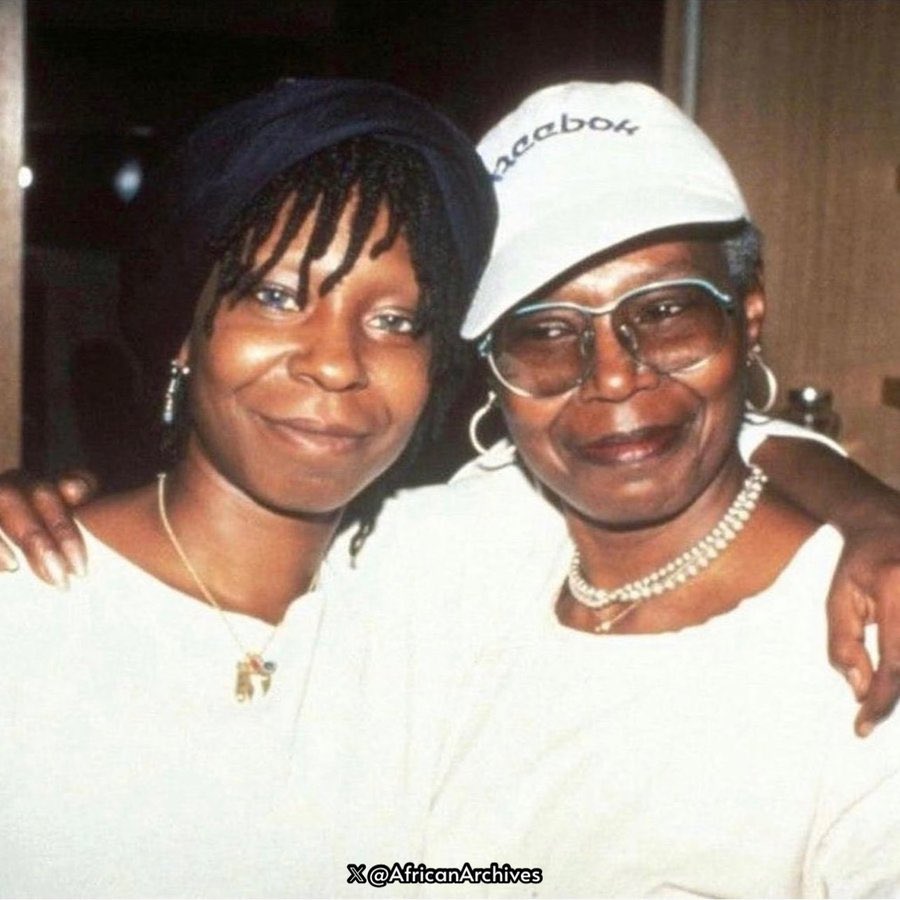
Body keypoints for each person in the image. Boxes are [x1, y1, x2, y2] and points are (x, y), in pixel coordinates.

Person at [360, 81, 900, 896]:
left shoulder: (865, 643)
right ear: (492, 374)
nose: (613, 377)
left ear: (748, 319)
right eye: (544, 331)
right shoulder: (455, 552)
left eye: (668, 312)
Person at [0, 77, 497, 897]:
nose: (336, 362)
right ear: (183, 336)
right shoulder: (26, 604)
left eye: (394, 321)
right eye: (274, 297)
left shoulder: (432, 615)